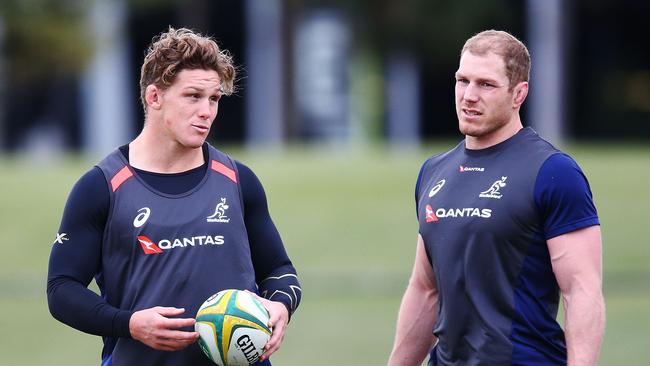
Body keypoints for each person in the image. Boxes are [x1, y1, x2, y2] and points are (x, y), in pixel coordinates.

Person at [47, 27, 301, 366]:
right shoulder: (102, 187)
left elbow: (279, 269)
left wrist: (280, 304)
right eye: (193, 96)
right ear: (154, 97)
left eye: (213, 99)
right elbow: (62, 290)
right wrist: (130, 324)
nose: (206, 111)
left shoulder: (239, 181)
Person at [388, 30, 605, 366]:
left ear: (519, 94)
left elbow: (582, 292)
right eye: (463, 81)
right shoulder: (434, 172)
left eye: (485, 84)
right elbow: (425, 290)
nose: (469, 96)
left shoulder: (553, 172)